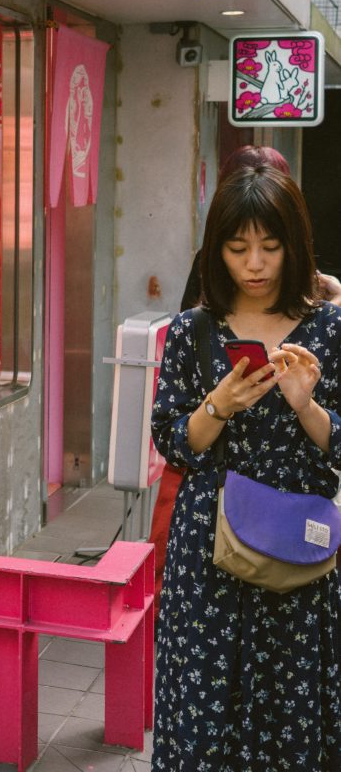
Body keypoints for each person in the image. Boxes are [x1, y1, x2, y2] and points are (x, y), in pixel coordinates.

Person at [150, 164, 341, 770]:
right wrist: (220, 405)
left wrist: (305, 405)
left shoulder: (329, 328)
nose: (254, 264)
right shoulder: (193, 331)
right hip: (210, 547)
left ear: (295, 245)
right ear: (217, 251)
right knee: (205, 705)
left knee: (291, 705)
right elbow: (172, 442)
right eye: (237, 248)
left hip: (300, 543)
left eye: (270, 246)